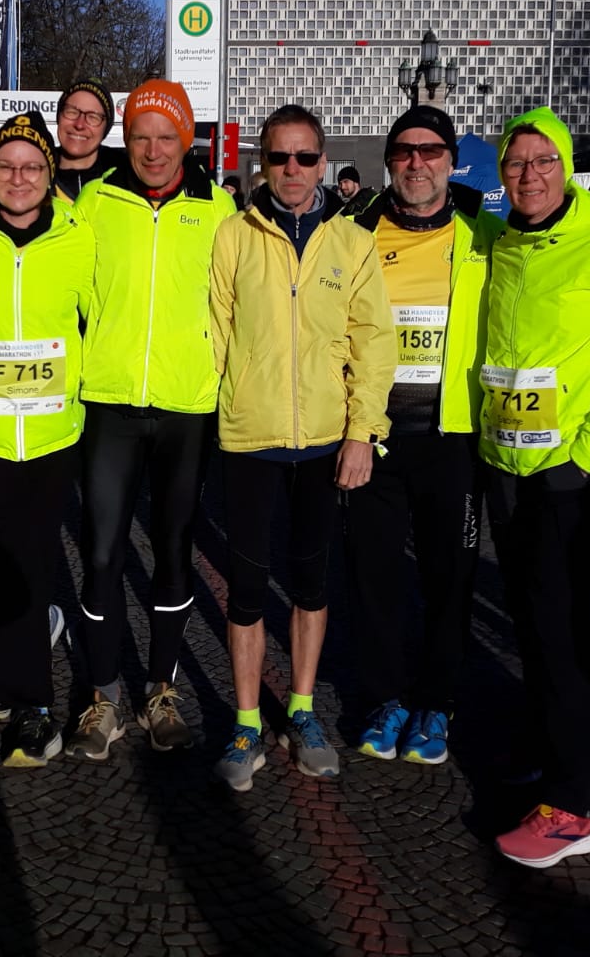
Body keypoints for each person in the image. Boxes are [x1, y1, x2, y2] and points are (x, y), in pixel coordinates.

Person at [480, 108, 590, 869]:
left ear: (567, 166)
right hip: (504, 465)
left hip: (569, 475)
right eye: (516, 162)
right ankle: (547, 751)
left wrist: (581, 459)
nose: (530, 175)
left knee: (559, 631)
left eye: (543, 160)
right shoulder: (499, 242)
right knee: (530, 620)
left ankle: (576, 807)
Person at [208, 103, 395, 791]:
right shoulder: (234, 234)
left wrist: (362, 432)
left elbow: (374, 344)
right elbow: (217, 331)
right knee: (247, 590)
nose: (292, 169)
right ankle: (246, 723)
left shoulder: (352, 242)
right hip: (250, 438)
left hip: (322, 440)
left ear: (323, 163)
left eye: (305, 157)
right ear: (262, 162)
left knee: (311, 585)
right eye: (279, 157)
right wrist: (224, 409)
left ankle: (304, 710)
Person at [66, 79, 235, 760]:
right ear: (126, 140)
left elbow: (239, 302)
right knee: (103, 553)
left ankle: (160, 690)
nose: (154, 150)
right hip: (109, 400)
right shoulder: (97, 202)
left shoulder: (219, 209)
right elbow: (66, 288)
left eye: (167, 137)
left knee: (172, 551)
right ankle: (103, 695)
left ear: (187, 141)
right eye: (141, 137)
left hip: (186, 404)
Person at [345, 105, 502, 765]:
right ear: (390, 161)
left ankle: (436, 702)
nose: (417, 163)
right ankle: (384, 699)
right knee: (373, 579)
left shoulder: (487, 236)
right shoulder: (353, 234)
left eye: (430, 151)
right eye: (404, 151)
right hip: (374, 438)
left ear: (450, 161)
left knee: (450, 579)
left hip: (452, 441)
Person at [0, 113, 95, 767]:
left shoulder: (78, 237)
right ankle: (11, 679)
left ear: (48, 174)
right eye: (6, 166)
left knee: (32, 565)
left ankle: (36, 708)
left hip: (51, 434)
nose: (18, 178)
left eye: (32, 167)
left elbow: (105, 317)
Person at [52, 77, 115, 203]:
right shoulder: (33, 172)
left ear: (105, 128)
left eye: (93, 117)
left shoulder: (125, 176)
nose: (79, 125)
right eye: (72, 112)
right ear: (59, 116)